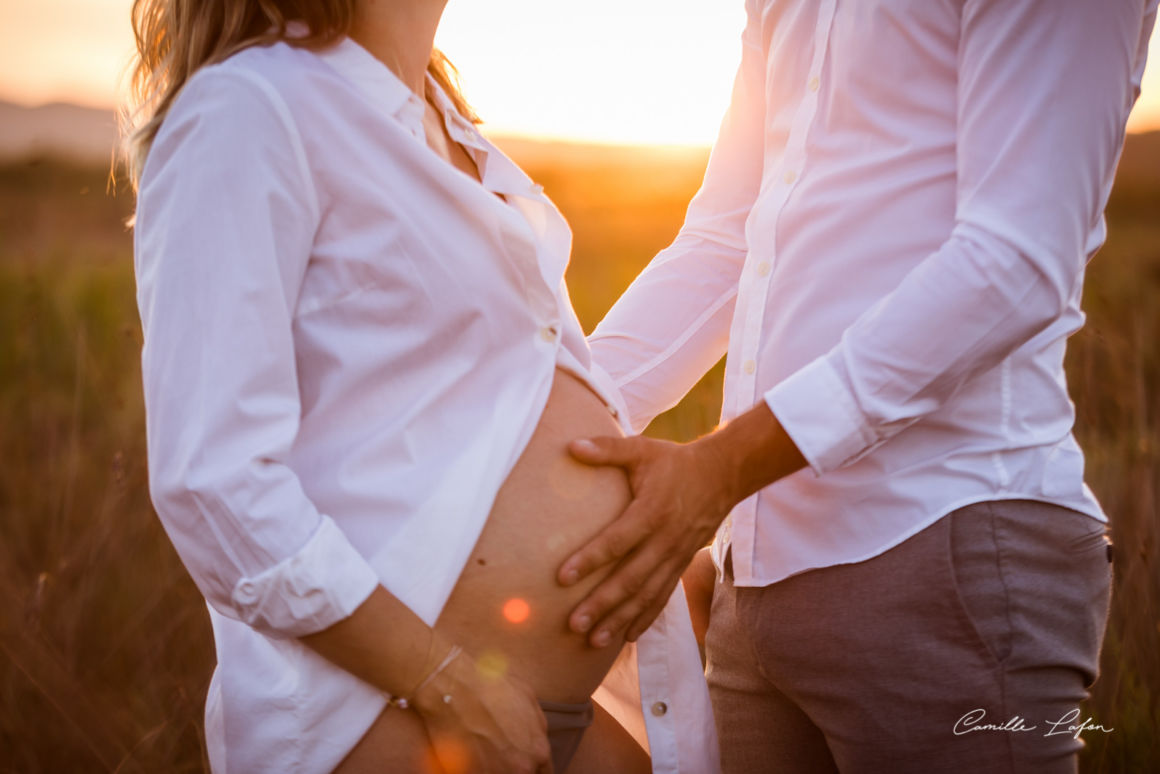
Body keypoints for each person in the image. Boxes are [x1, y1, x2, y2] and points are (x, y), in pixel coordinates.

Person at [556, 1, 1158, 771]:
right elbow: (723, 241)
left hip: (944, 547)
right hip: (756, 578)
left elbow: (1015, 265)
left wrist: (721, 467)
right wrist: (553, 427)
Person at [124, 1, 718, 772]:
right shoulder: (251, 108)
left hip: (545, 711)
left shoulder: (445, 123)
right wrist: (441, 683)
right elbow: (214, 482)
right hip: (398, 712)